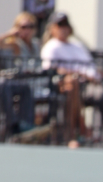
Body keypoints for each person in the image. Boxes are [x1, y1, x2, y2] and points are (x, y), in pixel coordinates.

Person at [40, 11, 99, 144]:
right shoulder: (51, 47)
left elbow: (91, 67)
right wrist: (76, 73)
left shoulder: (77, 46)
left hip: (89, 84)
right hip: (61, 85)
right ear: (52, 28)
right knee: (72, 83)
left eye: (66, 25)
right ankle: (74, 132)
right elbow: (50, 68)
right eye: (60, 25)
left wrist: (99, 75)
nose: (63, 29)